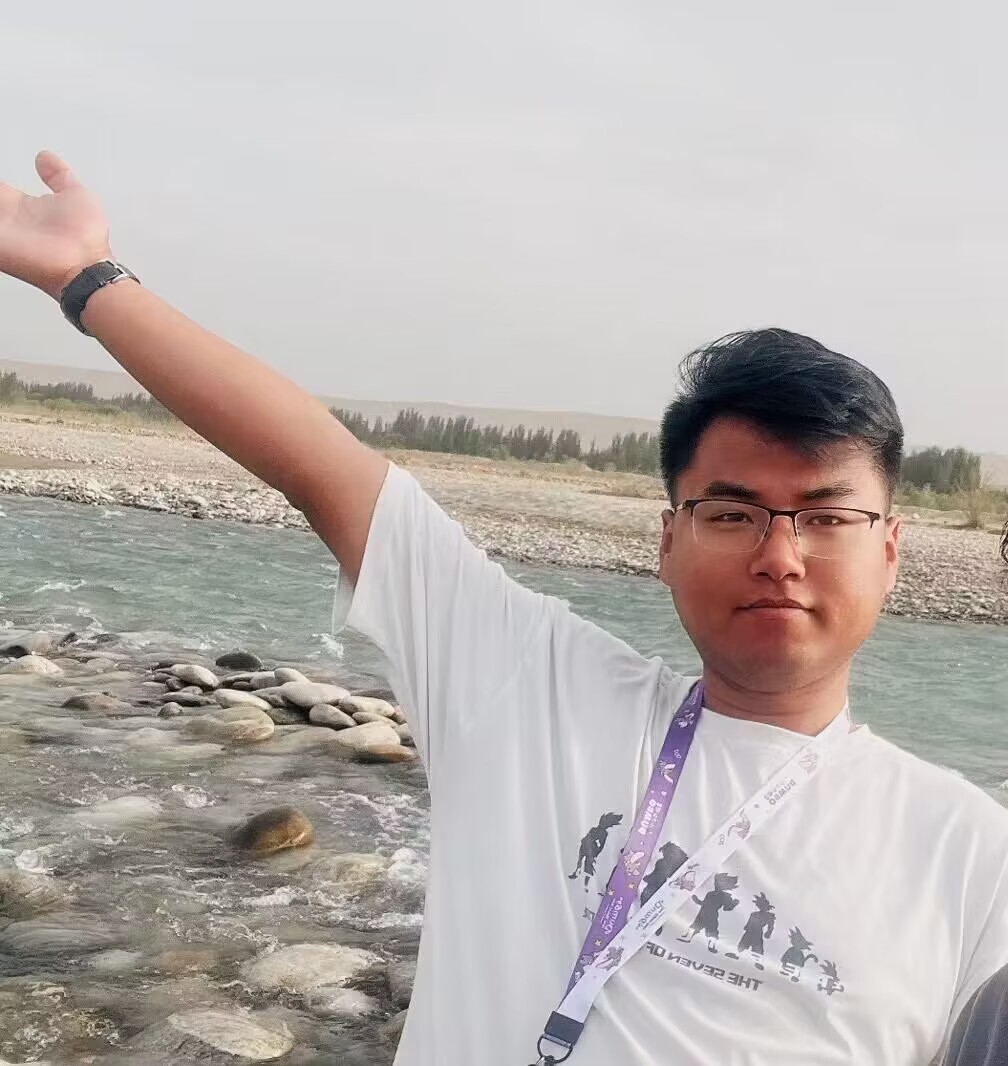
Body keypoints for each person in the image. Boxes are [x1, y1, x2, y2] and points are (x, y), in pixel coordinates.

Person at [1, 152, 1006, 1066]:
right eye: (734, 512)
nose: (780, 556)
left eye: (826, 518)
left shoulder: (971, 857)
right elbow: (324, 468)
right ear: (668, 541)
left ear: (889, 550)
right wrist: (86, 278)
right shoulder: (530, 685)